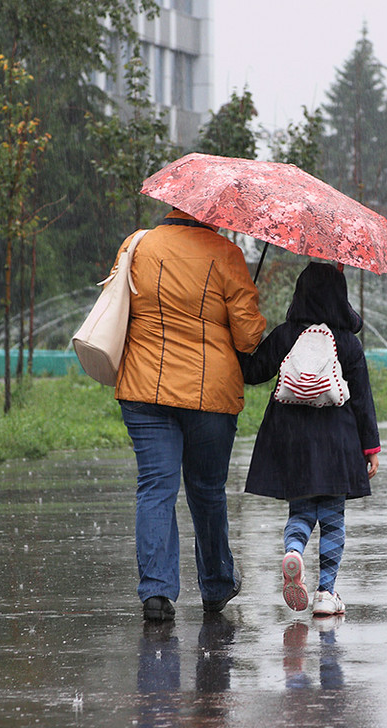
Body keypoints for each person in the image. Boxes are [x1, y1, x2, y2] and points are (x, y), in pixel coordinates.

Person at [112, 208, 266, 621]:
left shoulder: (138, 244)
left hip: (145, 387)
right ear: (211, 216)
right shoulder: (226, 254)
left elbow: (118, 307)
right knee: (207, 489)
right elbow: (249, 336)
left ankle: (157, 594)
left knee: (155, 486)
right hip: (209, 396)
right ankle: (216, 585)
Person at [240, 261, 380, 617]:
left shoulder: (287, 334)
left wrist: (241, 340)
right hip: (339, 441)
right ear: (340, 298)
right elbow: (362, 399)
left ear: (300, 294)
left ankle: (294, 551)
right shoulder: (348, 344)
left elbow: (254, 372)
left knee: (301, 509)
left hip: (292, 439)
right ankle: (325, 593)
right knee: (333, 518)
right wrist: (371, 448)